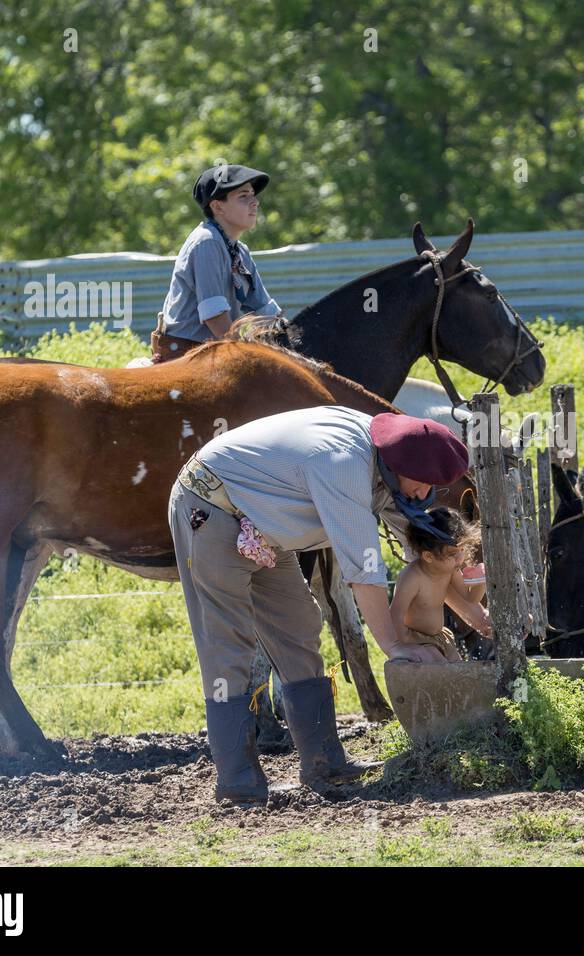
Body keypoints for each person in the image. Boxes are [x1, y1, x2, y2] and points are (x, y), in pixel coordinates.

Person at [167, 406, 470, 805]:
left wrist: (472, 610)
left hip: (260, 522)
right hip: (209, 509)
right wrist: (394, 646)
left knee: (299, 624)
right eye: (423, 483)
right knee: (228, 644)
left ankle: (324, 761)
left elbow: (429, 551)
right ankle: (237, 781)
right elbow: (363, 569)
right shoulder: (344, 465)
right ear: (400, 465)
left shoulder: (388, 461)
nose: (424, 494)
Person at [150, 163, 283, 363]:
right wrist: (243, 357)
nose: (255, 202)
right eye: (243, 196)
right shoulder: (207, 242)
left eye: (253, 195)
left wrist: (291, 336)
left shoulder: (239, 250)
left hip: (211, 352)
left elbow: (263, 310)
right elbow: (215, 317)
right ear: (217, 206)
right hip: (186, 356)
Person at [388, 507, 492, 662]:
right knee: (443, 673)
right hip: (416, 639)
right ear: (429, 556)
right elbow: (395, 614)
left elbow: (470, 598)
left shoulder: (450, 571)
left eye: (461, 549)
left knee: (459, 674)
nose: (460, 558)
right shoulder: (412, 577)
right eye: (452, 554)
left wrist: (480, 582)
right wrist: (405, 644)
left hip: (441, 637)